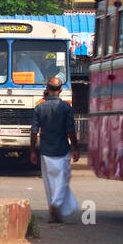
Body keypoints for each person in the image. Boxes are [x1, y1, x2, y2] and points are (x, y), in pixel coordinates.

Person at [29, 76, 81, 223]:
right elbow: (70, 130)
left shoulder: (39, 108)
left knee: (49, 182)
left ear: (47, 89)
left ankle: (53, 212)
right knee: (63, 179)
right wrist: (75, 147)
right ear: (61, 90)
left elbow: (34, 131)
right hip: (62, 149)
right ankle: (56, 205)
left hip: (45, 150)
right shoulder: (66, 108)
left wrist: (32, 150)